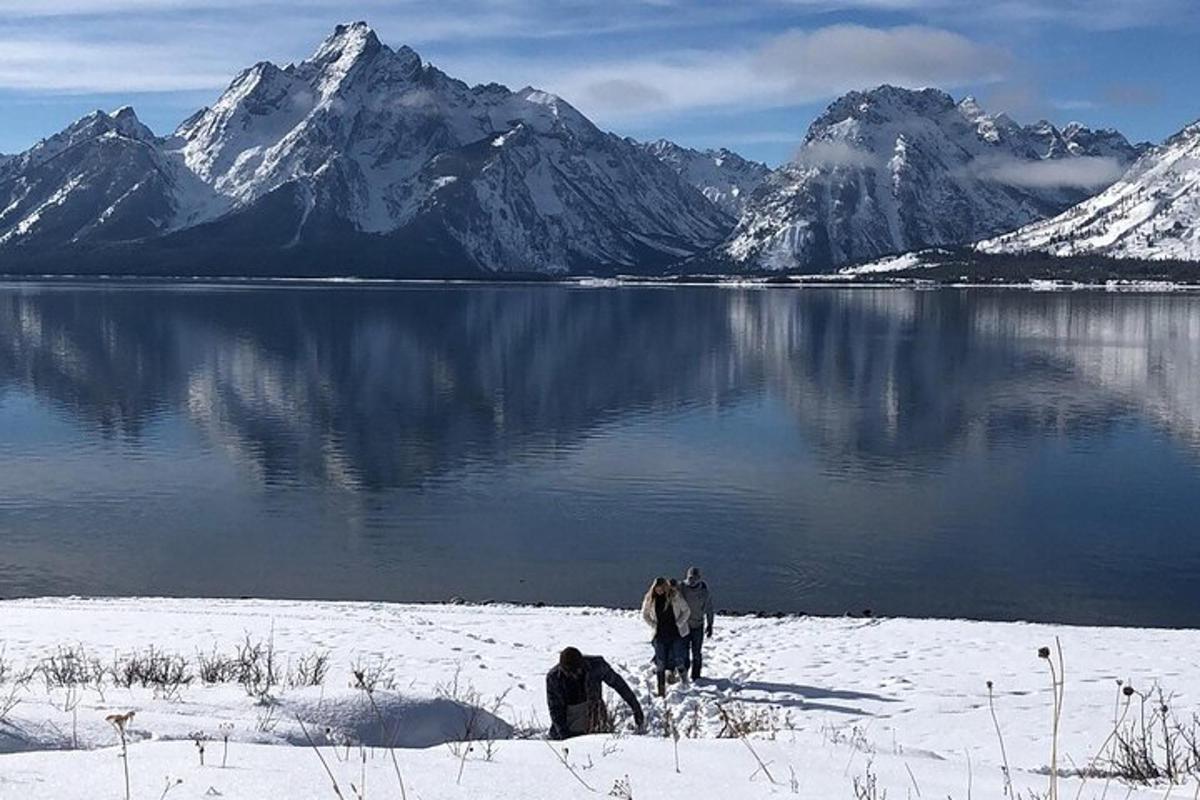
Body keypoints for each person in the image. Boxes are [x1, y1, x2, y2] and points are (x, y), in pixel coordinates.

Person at [546, 647, 644, 740]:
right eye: (569, 672)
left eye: (576, 671)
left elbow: (619, 685)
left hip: (594, 714)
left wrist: (635, 707)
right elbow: (555, 709)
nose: (574, 675)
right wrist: (565, 736)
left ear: (582, 664)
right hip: (568, 718)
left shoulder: (597, 666)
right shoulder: (553, 678)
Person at [640, 576, 691, 696]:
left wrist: (679, 623)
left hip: (675, 633)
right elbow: (645, 614)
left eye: (662, 588)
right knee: (660, 662)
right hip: (659, 635)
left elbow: (686, 610)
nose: (659, 591)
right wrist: (654, 625)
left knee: (679, 659)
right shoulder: (650, 599)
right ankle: (661, 690)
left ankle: (684, 682)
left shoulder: (675, 596)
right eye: (657, 588)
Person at [678, 566, 715, 680]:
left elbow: (709, 608)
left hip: (698, 625)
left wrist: (710, 624)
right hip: (684, 626)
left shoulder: (703, 590)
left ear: (699, 578)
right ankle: (684, 674)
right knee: (684, 652)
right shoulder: (681, 587)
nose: (692, 581)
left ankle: (696, 676)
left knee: (696, 653)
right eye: (690, 578)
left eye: (694, 578)